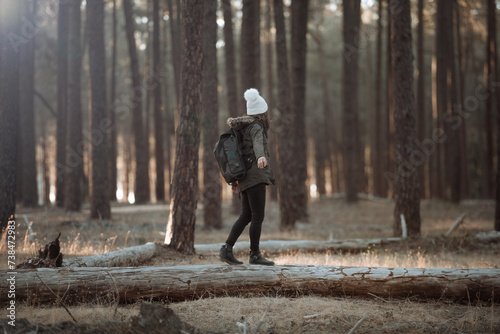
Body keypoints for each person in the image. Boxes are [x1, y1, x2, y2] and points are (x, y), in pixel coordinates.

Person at [218, 88, 276, 266]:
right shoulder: (256, 126)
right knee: (257, 216)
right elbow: (258, 145)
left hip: (243, 177)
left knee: (246, 215)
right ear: (262, 111)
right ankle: (255, 255)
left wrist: (236, 180)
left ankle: (226, 249)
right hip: (255, 175)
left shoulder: (241, 128)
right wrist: (261, 157)